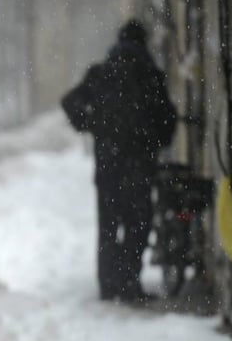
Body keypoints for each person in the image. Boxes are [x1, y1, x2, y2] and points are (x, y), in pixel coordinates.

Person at [62, 19, 177, 302]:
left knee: (109, 224)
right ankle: (129, 283)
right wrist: (157, 139)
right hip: (140, 163)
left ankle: (108, 284)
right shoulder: (150, 75)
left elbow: (70, 102)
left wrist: (92, 124)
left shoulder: (102, 73)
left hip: (108, 164)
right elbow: (168, 119)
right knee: (138, 223)